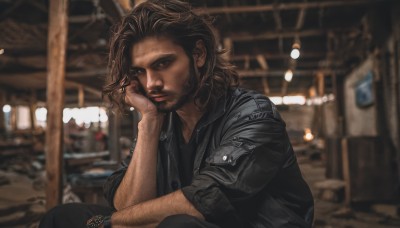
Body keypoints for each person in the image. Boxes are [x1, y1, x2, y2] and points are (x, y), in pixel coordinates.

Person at [39, 0, 314, 227]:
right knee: (62, 217)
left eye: (163, 63)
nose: (151, 83)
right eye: (140, 71)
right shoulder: (163, 120)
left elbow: (204, 201)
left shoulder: (253, 114)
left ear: (198, 54)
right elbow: (128, 206)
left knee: (179, 225)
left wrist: (106, 223)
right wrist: (149, 121)